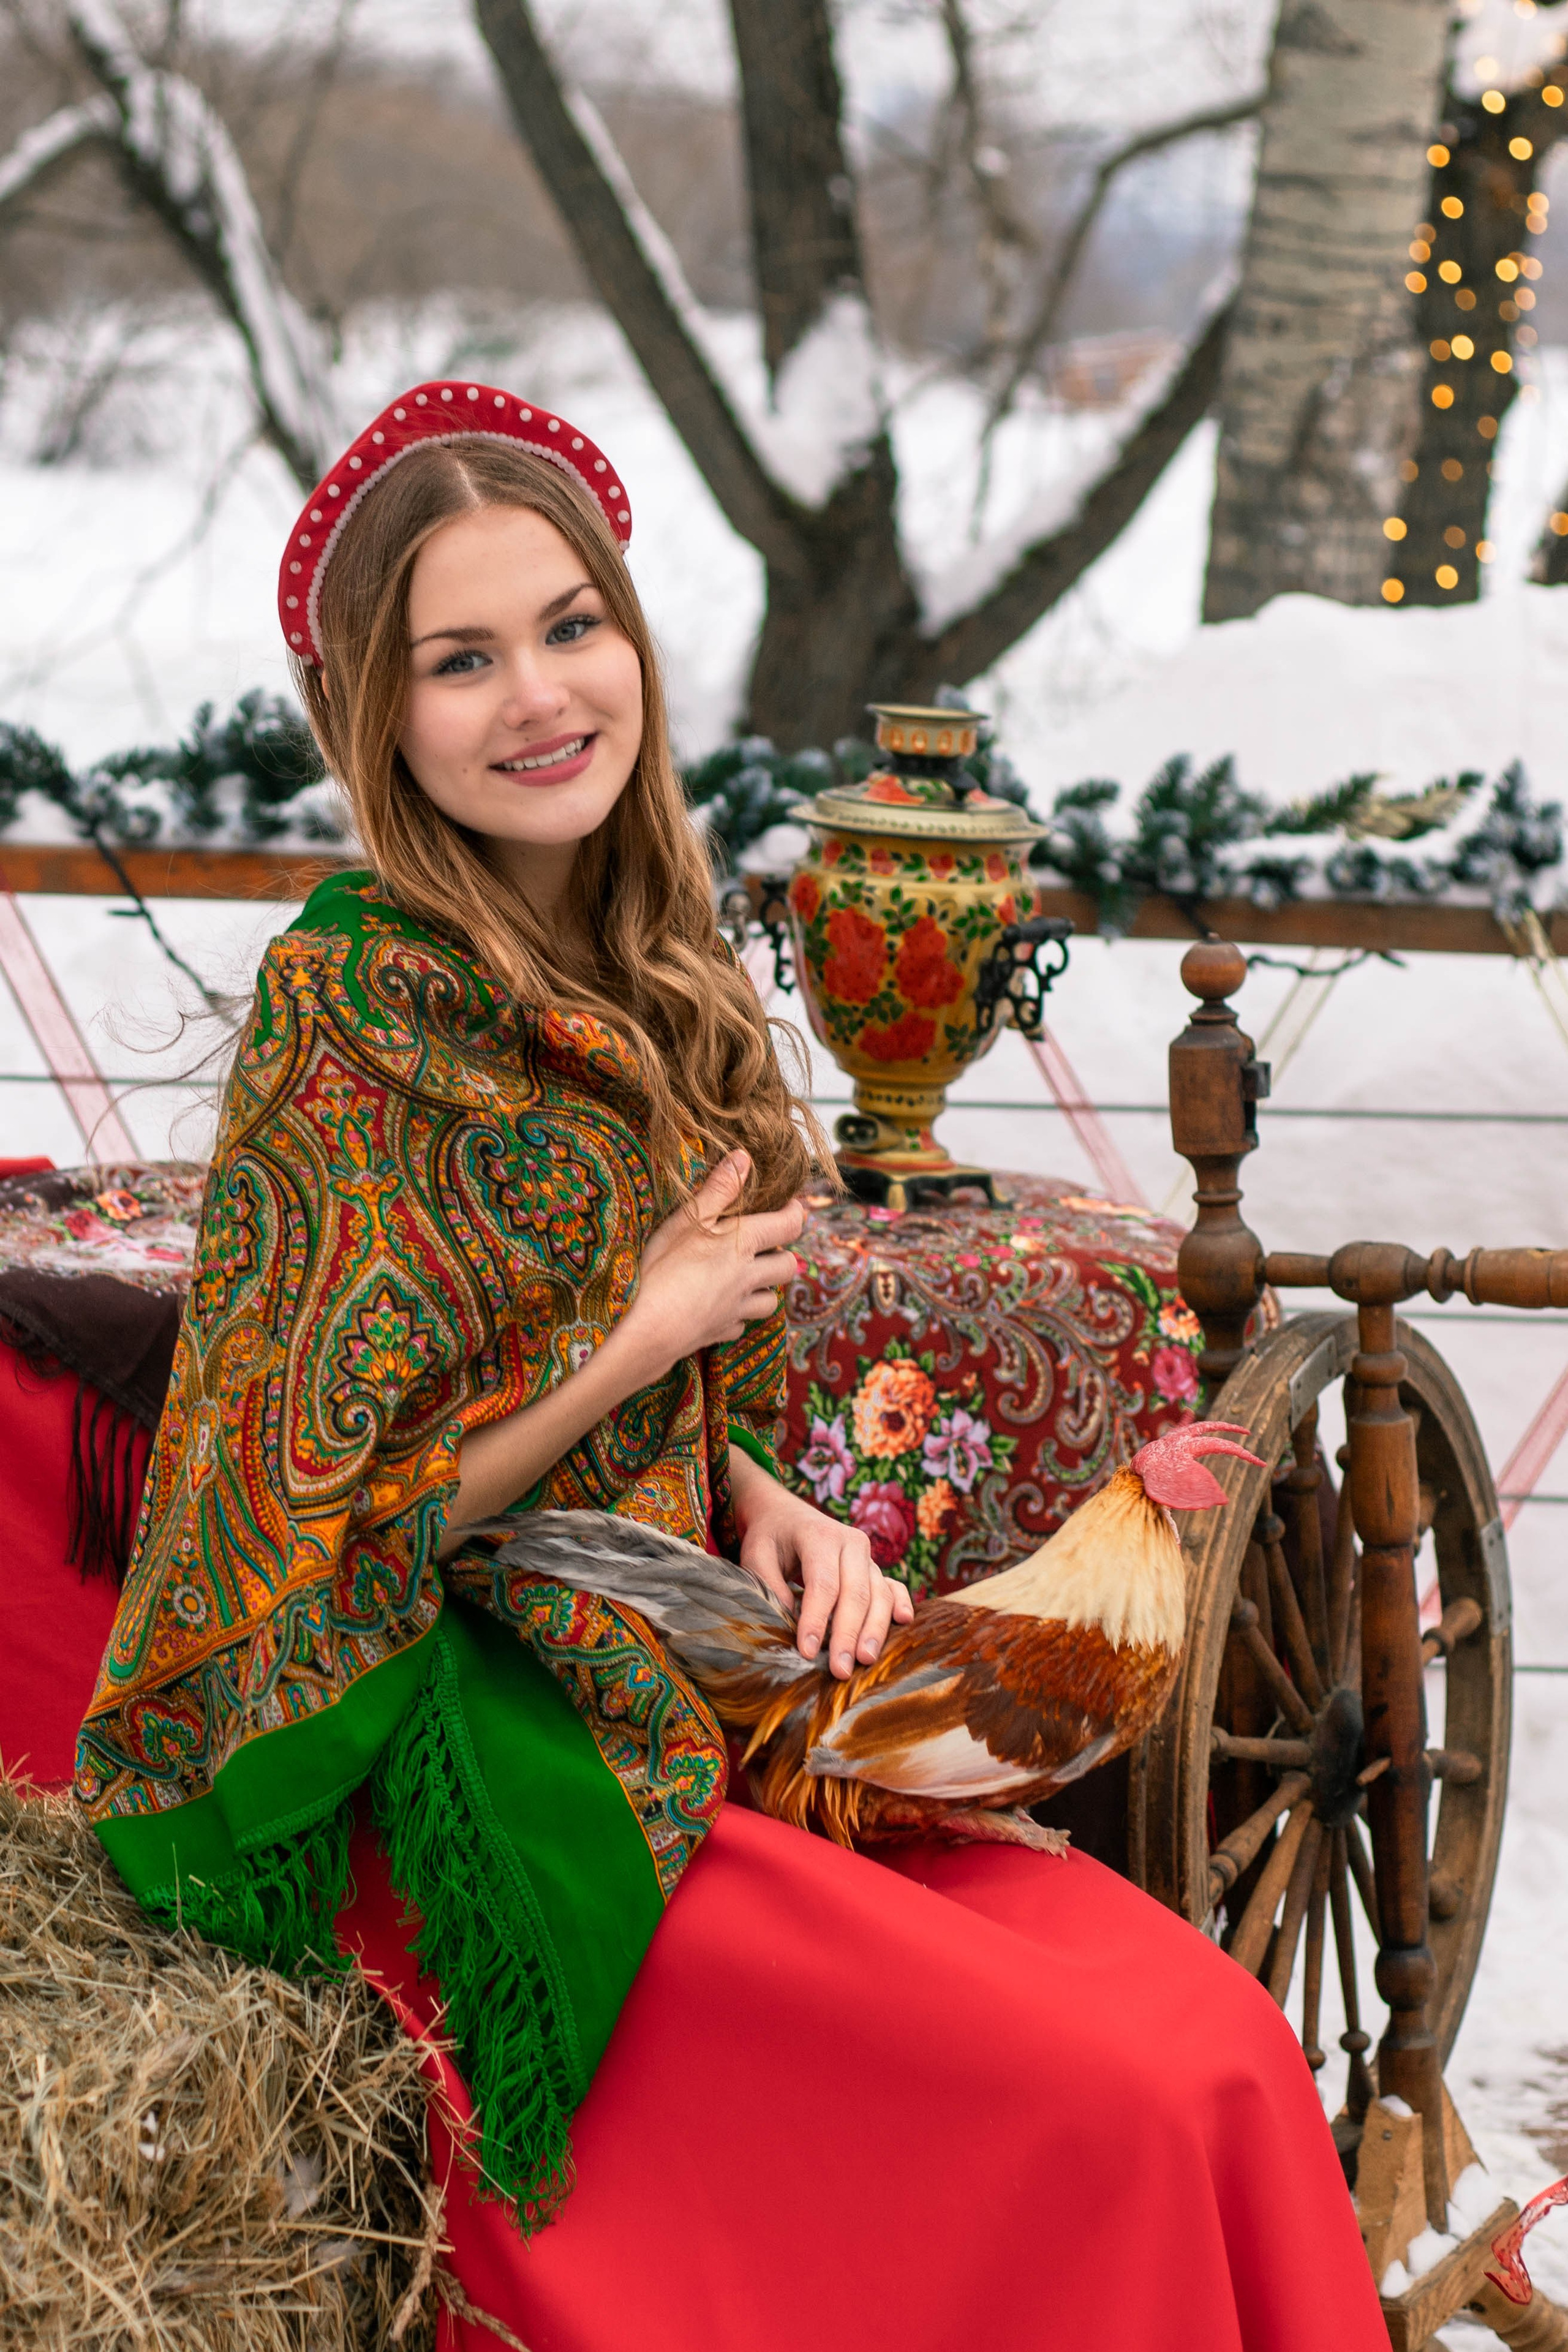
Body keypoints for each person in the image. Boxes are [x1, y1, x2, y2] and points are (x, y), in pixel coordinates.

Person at [77, 383, 1389, 2351]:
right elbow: (319, 1522)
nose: (540, 695)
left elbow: (695, 1389)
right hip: (470, 1741)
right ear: (377, 716)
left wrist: (768, 1505)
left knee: (1207, 2039)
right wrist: (643, 1337)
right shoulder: (347, 1006)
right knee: (1096, 2106)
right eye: (460, 659)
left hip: (684, 1664)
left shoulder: (653, 961)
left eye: (571, 626)